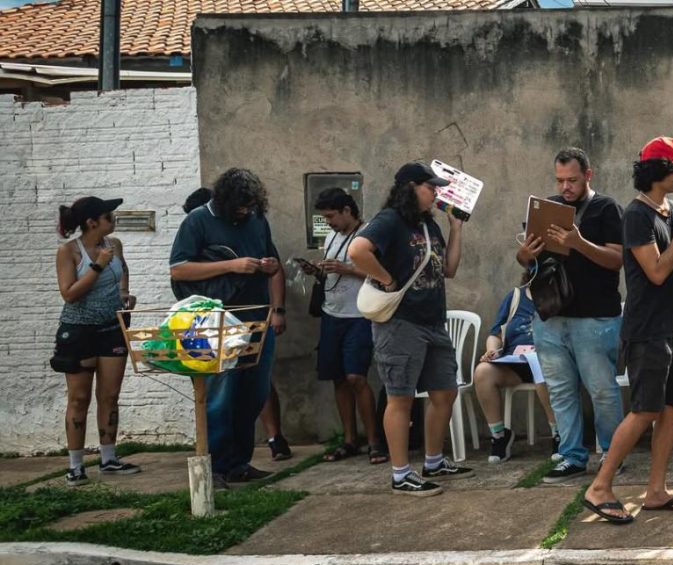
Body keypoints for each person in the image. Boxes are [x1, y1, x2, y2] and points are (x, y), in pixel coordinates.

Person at [582, 136, 673, 524]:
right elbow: (657, 272)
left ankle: (656, 492)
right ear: (657, 172)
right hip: (647, 331)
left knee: (671, 411)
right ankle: (600, 487)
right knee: (645, 410)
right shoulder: (637, 216)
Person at [348, 161, 472, 496]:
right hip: (401, 324)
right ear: (410, 188)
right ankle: (401, 474)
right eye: (429, 187)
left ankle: (434, 461)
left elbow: (449, 269)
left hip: (433, 322)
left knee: (444, 391)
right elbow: (357, 250)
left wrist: (456, 229)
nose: (435, 192)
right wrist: (387, 279)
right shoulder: (390, 221)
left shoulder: (429, 225)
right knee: (400, 397)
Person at [515, 147, 625, 484]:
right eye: (560, 180)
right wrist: (524, 254)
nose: (566, 187)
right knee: (561, 390)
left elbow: (617, 260)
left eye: (572, 180)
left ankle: (611, 454)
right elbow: (528, 261)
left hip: (595, 317)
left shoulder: (606, 208)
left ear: (588, 175)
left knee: (602, 390)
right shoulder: (548, 208)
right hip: (550, 315)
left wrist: (579, 243)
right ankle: (572, 456)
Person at [170, 168, 281, 487]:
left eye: (250, 206)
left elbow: (270, 259)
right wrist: (231, 265)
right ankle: (214, 467)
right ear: (224, 201)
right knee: (220, 395)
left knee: (254, 393)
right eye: (240, 207)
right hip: (215, 322)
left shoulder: (257, 219)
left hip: (256, 317)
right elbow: (179, 270)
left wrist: (269, 267)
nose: (245, 212)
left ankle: (239, 463)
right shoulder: (197, 221)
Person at [52, 196, 140, 486]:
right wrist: (98, 266)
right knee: (79, 398)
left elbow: (123, 269)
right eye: (108, 216)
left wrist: (124, 293)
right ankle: (76, 466)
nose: (113, 220)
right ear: (92, 223)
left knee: (110, 395)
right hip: (79, 331)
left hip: (111, 327)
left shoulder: (114, 245)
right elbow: (69, 294)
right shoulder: (69, 252)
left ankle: (109, 458)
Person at [298, 188, 383, 464]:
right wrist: (318, 271)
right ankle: (349, 439)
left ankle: (374, 442)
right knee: (338, 378)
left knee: (356, 378)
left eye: (331, 216)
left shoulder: (369, 234)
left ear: (348, 210)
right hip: (332, 314)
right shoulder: (331, 237)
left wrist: (348, 269)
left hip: (359, 315)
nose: (329, 222)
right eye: (324, 217)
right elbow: (331, 272)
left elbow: (383, 275)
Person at [474, 273, 558, 464]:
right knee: (482, 372)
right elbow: (495, 333)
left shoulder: (560, 295)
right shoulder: (515, 297)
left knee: (541, 369)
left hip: (548, 363)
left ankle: (559, 434)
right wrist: (492, 351)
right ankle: (499, 436)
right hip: (515, 364)